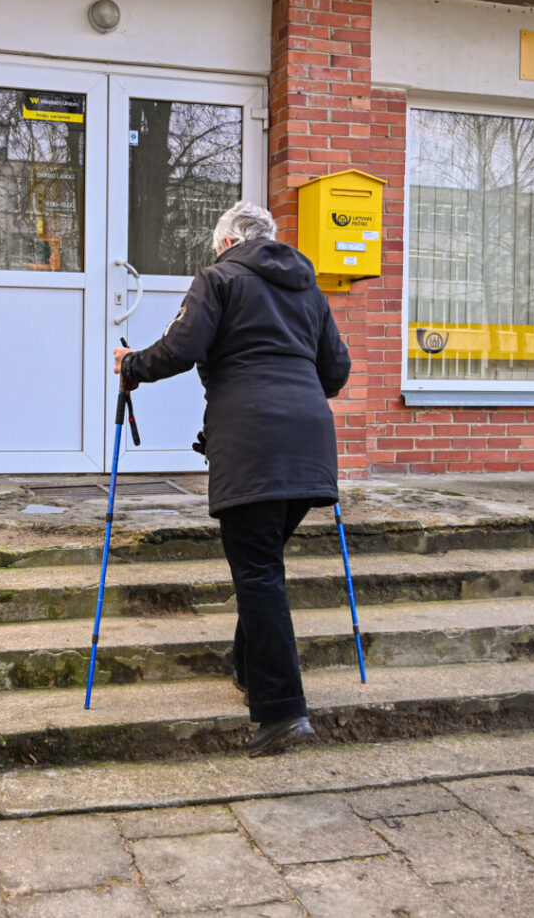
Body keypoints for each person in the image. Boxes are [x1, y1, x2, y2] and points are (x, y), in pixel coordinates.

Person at [114, 201, 352, 756]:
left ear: (225, 243)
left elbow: (182, 346)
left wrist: (131, 364)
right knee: (262, 563)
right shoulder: (308, 289)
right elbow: (335, 372)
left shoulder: (217, 278)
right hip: (310, 445)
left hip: (252, 444)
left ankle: (282, 710)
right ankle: (248, 672)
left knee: (258, 570)